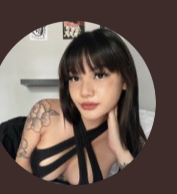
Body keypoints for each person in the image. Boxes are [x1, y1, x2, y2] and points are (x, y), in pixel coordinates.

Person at [13, 29, 147, 183]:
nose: (84, 92)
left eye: (99, 75)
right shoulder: (45, 112)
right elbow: (21, 164)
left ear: (125, 81)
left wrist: (120, 150)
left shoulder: (130, 138)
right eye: (75, 78)